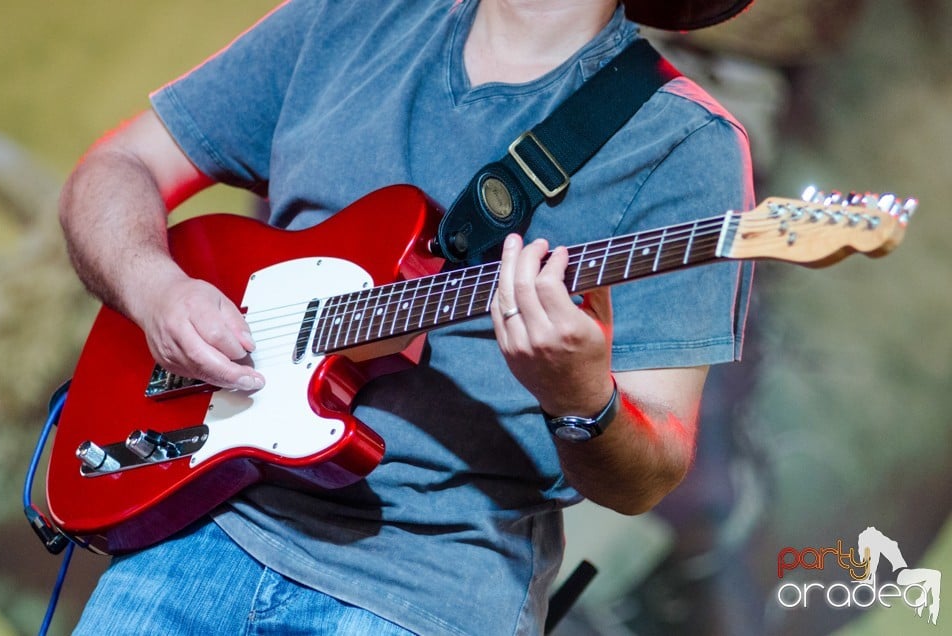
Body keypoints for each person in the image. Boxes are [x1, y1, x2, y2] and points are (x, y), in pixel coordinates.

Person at [58, 0, 755, 633]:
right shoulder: (346, 19)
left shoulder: (687, 143)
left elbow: (651, 471)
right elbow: (122, 163)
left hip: (430, 594)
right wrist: (154, 291)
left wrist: (579, 395)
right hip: (199, 534)